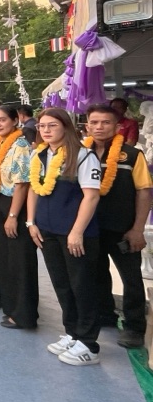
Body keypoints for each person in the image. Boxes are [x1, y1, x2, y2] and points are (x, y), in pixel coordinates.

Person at [27, 107, 103, 366]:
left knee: (82, 286)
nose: (46, 130)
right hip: (47, 231)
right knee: (62, 284)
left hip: (75, 234)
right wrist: (31, 222)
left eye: (52, 125)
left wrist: (77, 232)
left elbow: (91, 196)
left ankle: (89, 344)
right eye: (42, 126)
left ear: (66, 127)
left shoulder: (82, 156)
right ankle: (73, 333)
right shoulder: (40, 154)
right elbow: (33, 190)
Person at [84, 104, 152, 349]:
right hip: (91, 228)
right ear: (87, 126)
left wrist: (137, 228)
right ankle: (105, 314)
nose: (99, 127)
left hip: (123, 229)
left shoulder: (132, 155)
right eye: (94, 122)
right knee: (97, 273)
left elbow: (144, 192)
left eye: (105, 122)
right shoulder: (81, 154)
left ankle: (134, 327)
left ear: (117, 126)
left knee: (131, 278)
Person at [0, 105, 36, 330]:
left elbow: (22, 184)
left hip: (15, 205)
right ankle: (11, 308)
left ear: (15, 121)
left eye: (2, 119)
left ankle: (24, 315)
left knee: (19, 261)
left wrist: (13, 216)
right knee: (5, 259)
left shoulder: (20, 145)